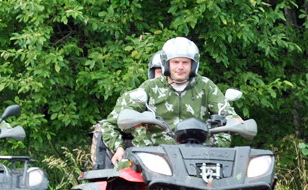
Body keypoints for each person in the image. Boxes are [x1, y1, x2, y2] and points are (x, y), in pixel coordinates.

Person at [101, 37, 240, 164]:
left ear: (193, 65)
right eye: (175, 62)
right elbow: (111, 123)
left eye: (185, 62)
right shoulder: (149, 88)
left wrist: (236, 122)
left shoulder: (205, 86)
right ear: (166, 64)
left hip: (200, 155)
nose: (180, 67)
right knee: (125, 173)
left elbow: (227, 113)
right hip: (154, 156)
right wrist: (118, 148)